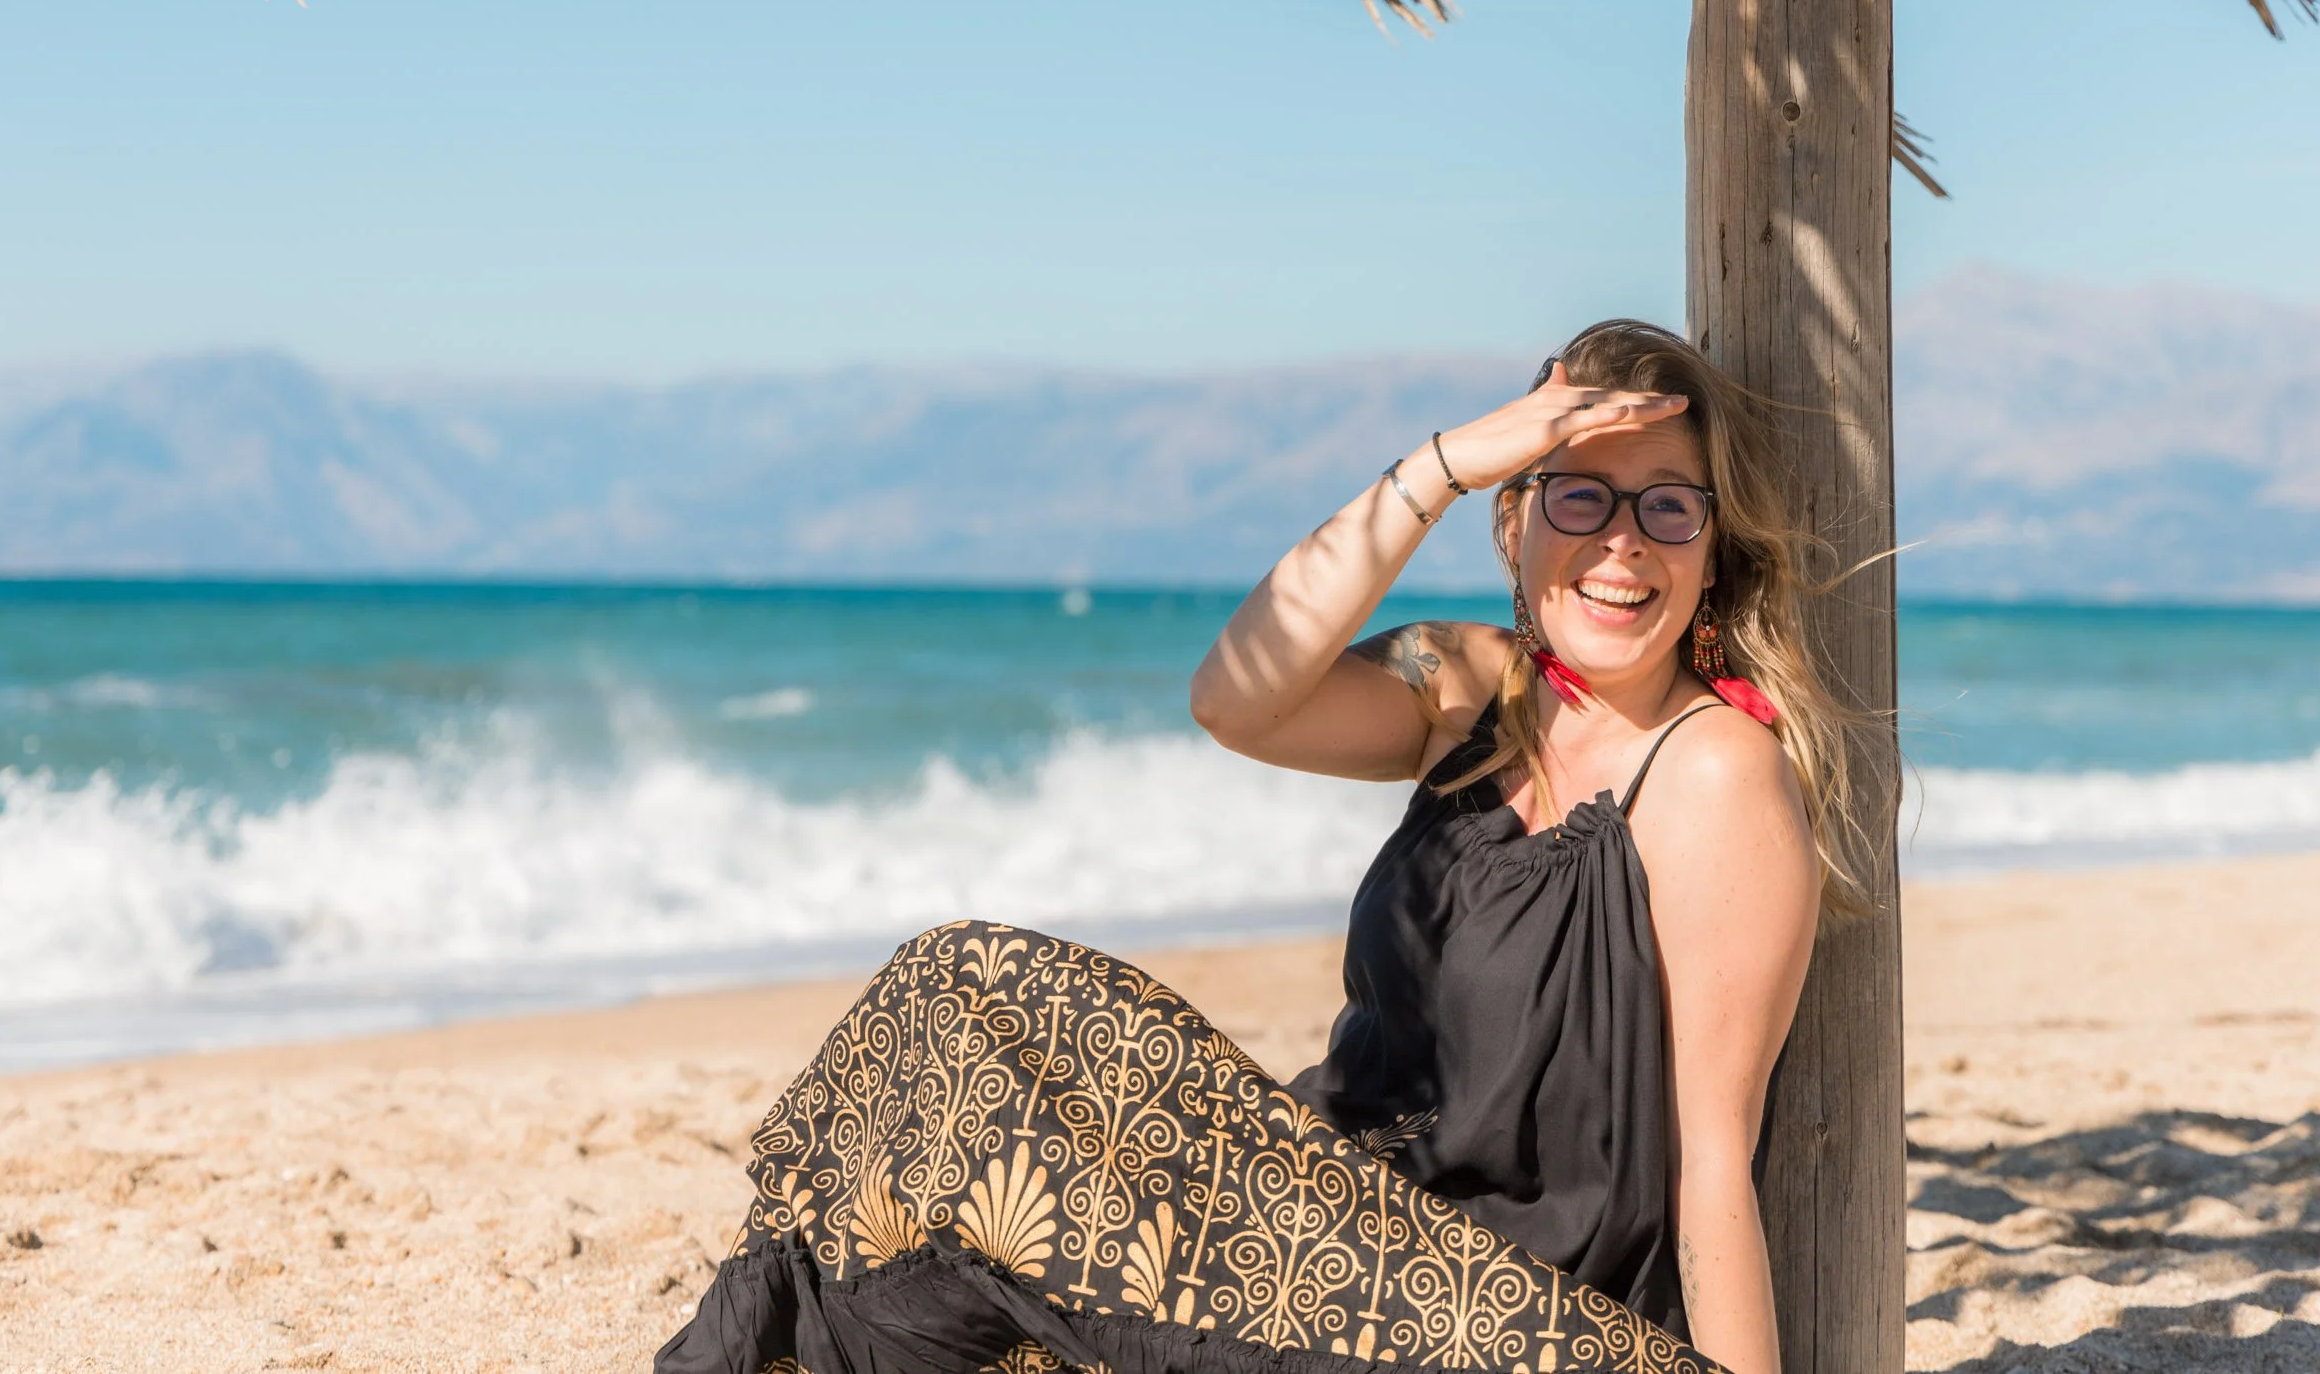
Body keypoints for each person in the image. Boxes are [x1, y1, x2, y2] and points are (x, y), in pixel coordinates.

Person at [652, 320, 1877, 1374]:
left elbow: (1711, 1158)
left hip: (1499, 1320)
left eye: (1667, 504)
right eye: (1578, 496)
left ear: (1711, 544)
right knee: (948, 1004)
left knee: (986, 1015)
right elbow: (1235, 695)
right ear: (1514, 521)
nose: (1622, 544)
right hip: (1318, 1233)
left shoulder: (1713, 769)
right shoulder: (1471, 688)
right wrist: (1441, 466)